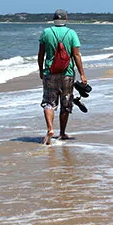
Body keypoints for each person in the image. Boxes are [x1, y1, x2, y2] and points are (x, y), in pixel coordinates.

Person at [37, 9, 87, 145]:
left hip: (50, 72)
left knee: (49, 102)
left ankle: (50, 128)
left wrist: (41, 70)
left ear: (53, 19)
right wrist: (82, 74)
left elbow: (41, 54)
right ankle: (62, 133)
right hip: (67, 73)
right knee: (66, 103)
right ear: (66, 19)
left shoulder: (46, 32)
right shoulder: (71, 33)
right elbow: (76, 55)